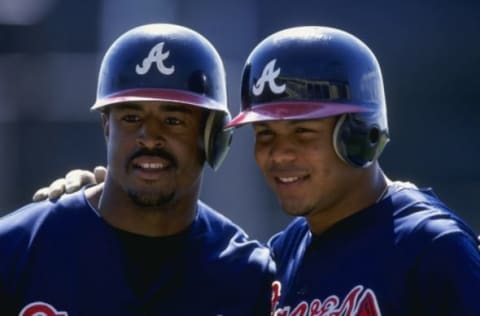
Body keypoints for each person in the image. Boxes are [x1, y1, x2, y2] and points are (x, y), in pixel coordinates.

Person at [31, 26, 480, 315]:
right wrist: (109, 195)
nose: (278, 155)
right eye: (266, 135)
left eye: (301, 133)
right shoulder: (282, 256)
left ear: (359, 134)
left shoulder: (431, 248)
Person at [0, 23, 274, 315]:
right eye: (131, 117)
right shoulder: (17, 249)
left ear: (213, 137)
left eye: (173, 121)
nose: (149, 137)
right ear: (107, 126)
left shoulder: (248, 275)